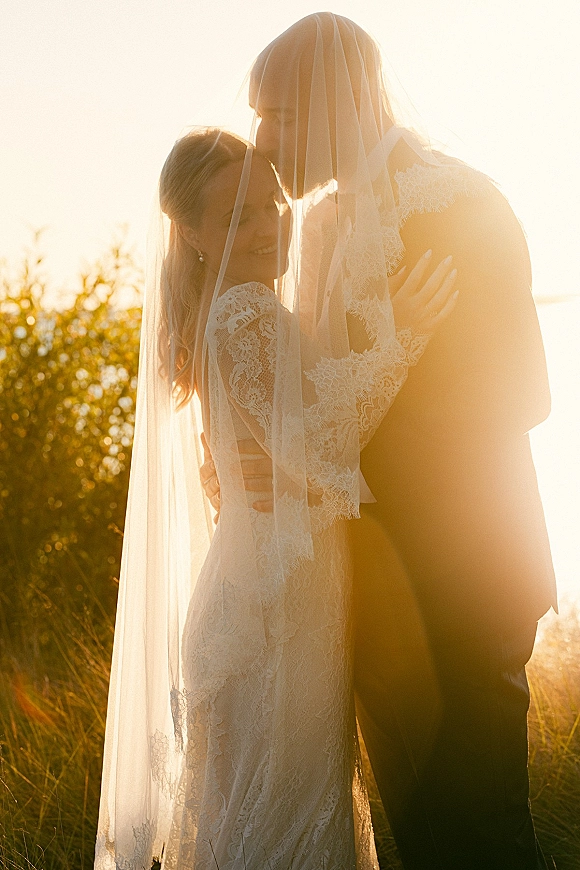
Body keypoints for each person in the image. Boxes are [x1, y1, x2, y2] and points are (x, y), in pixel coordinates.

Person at [201, 13, 557, 870]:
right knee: (421, 840)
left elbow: (520, 392)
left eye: (280, 115)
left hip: (462, 584)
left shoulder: (459, 202)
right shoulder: (317, 227)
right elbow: (298, 378)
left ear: (346, 98)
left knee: (484, 833)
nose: (265, 138)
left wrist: (331, 453)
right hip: (356, 596)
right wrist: (268, 454)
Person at [94, 122, 458, 868]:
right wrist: (407, 338)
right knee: (284, 827)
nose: (268, 227)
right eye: (237, 217)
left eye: (272, 204)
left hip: (269, 587)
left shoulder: (233, 307)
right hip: (276, 608)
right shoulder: (244, 312)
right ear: (193, 234)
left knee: (269, 822)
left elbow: (272, 440)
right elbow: (316, 445)